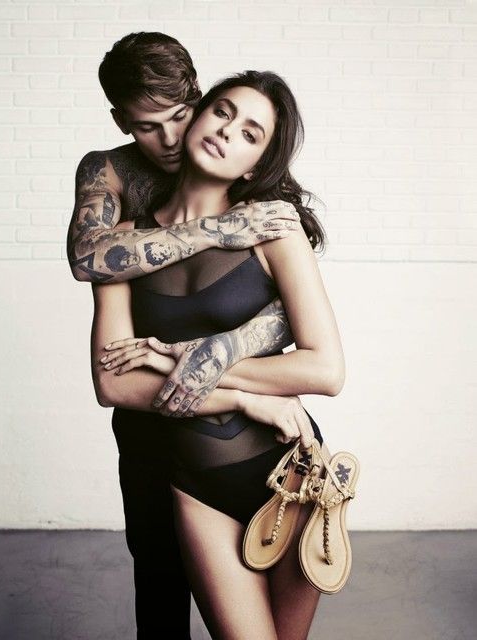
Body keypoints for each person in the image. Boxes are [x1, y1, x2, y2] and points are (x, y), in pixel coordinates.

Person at [67, 32, 309, 639]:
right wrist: (215, 232)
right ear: (122, 121)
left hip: (248, 439)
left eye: (181, 115)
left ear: (198, 100)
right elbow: (88, 258)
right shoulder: (110, 172)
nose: (171, 139)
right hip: (150, 427)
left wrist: (215, 355)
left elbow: (293, 308)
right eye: (148, 126)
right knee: (159, 581)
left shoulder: (241, 168)